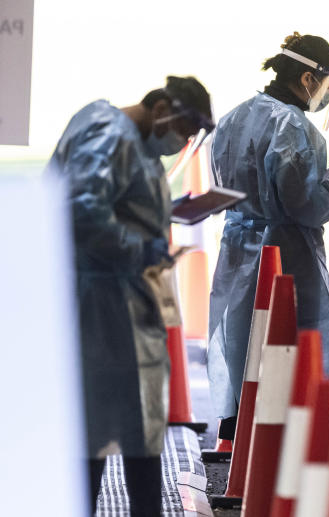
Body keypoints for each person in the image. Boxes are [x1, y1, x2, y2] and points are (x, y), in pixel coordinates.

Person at [45, 76, 214, 516]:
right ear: (161, 109)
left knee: (134, 423)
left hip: (120, 294)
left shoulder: (128, 139)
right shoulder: (109, 134)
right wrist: (142, 248)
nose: (183, 141)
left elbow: (118, 202)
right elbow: (80, 211)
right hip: (100, 296)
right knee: (103, 426)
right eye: (185, 129)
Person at [207, 32, 329, 442]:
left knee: (241, 342)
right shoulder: (293, 127)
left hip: (237, 250)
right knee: (284, 347)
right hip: (284, 255)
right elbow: (303, 204)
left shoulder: (235, 117)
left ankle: (237, 433)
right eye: (327, 82)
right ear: (308, 78)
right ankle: (276, 442)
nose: (326, 93)